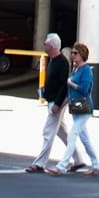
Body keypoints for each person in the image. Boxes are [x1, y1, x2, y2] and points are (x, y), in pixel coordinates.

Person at [53, 42, 99, 175]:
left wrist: (71, 83)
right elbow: (70, 93)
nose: (72, 55)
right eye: (72, 53)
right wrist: (61, 105)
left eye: (75, 53)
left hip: (84, 109)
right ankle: (96, 165)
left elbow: (84, 90)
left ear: (82, 55)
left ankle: (62, 166)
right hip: (76, 108)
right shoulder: (76, 69)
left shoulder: (86, 71)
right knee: (84, 138)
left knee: (73, 134)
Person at [26, 33, 71, 172]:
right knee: (61, 132)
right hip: (52, 100)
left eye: (46, 43)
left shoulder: (62, 62)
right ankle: (79, 158)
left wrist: (58, 103)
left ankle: (40, 163)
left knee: (49, 131)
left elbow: (64, 85)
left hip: (57, 102)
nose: (44, 45)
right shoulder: (54, 60)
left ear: (51, 46)